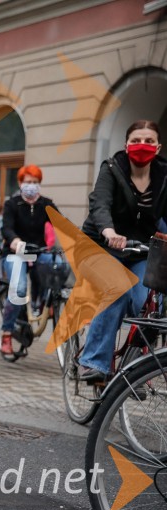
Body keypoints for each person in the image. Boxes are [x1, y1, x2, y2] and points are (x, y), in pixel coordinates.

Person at [77, 120, 167, 382]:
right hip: (103, 246)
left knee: (148, 306)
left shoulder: (163, 176)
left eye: (149, 141)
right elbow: (100, 204)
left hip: (140, 250)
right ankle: (94, 361)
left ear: (158, 146)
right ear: (127, 146)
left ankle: (135, 371)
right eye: (137, 140)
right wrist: (108, 231)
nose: (143, 145)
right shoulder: (112, 168)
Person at [0, 165, 60, 355]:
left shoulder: (46, 204)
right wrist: (14, 240)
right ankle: (7, 332)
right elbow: (6, 228)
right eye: (27, 182)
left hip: (39, 251)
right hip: (15, 252)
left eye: (34, 182)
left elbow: (62, 223)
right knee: (20, 288)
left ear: (39, 184)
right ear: (20, 183)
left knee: (57, 265)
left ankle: (45, 303)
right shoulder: (12, 204)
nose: (31, 186)